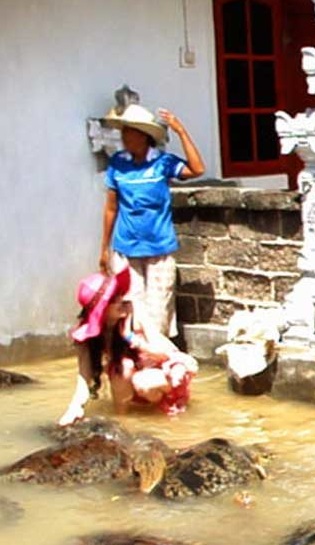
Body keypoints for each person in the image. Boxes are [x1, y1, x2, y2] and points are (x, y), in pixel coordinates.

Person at [100, 103, 205, 338]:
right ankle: (133, 360)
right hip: (126, 247)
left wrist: (180, 131)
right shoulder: (118, 163)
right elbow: (111, 207)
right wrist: (104, 248)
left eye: (130, 132)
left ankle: (156, 358)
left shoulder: (163, 163)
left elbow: (197, 169)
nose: (125, 137)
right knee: (130, 308)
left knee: (158, 311)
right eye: (124, 132)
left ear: (144, 136)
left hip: (159, 246)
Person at [59, 269, 198, 426]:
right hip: (134, 387)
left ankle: (167, 420)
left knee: (141, 380)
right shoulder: (89, 339)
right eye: (113, 298)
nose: (121, 298)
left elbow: (167, 354)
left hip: (165, 381)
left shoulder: (135, 318)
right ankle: (122, 422)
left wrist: (130, 337)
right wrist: (75, 408)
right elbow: (84, 377)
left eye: (119, 293)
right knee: (121, 368)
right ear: (102, 310)